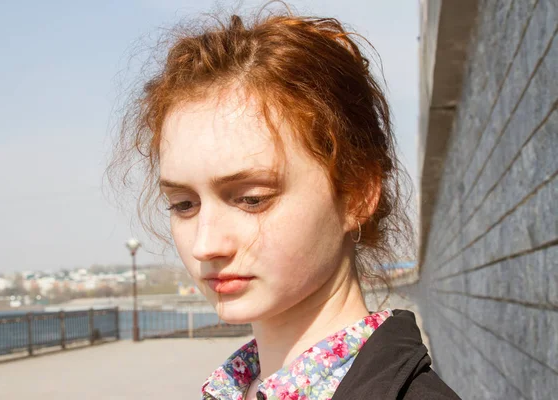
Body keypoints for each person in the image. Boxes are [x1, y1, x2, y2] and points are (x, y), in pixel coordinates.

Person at [111, 5, 461, 400]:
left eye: (251, 198)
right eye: (183, 205)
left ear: (358, 193)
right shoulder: (234, 388)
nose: (204, 245)